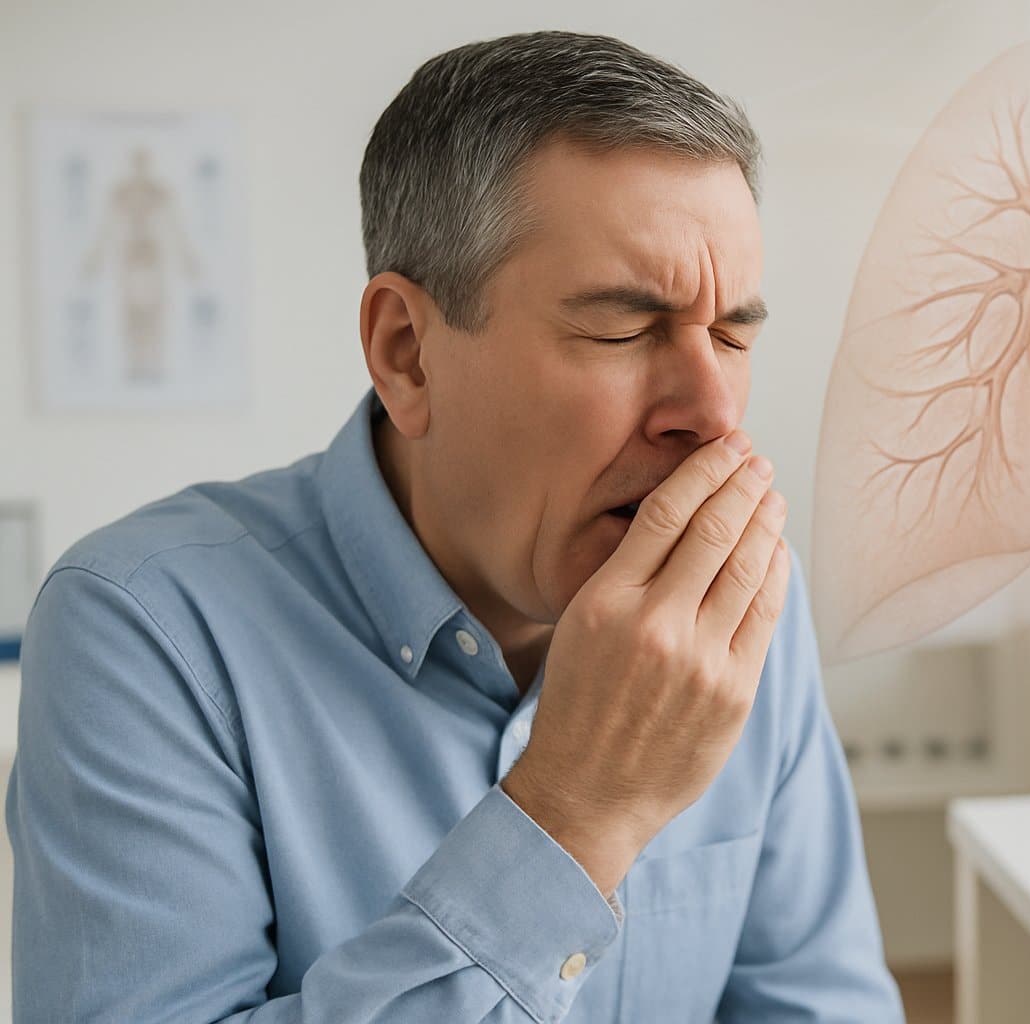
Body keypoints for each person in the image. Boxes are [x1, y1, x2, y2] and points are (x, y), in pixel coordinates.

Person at [6, 31, 905, 1023]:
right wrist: (573, 815)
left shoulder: (737, 612)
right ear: (407, 355)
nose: (713, 409)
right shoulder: (144, 630)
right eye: (622, 326)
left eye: (733, 332)